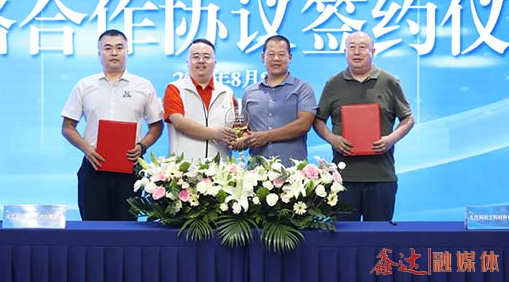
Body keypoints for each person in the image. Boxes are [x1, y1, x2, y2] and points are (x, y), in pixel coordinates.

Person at [61, 29, 164, 221]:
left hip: (130, 166)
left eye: (119, 47)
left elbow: (157, 126)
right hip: (94, 165)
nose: (114, 52)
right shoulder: (85, 85)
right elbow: (67, 127)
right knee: (93, 228)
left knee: (126, 229)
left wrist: (142, 146)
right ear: (99, 54)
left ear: (127, 51)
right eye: (107, 48)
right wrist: (86, 148)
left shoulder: (143, 86)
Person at [313, 31, 414, 222]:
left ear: (373, 51)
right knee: (343, 238)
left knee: (378, 237)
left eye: (362, 47)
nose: (357, 52)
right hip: (342, 179)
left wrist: (391, 139)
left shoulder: (389, 82)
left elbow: (408, 119)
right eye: (351, 47)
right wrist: (333, 139)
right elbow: (318, 120)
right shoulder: (333, 84)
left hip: (381, 177)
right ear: (345, 51)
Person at [240, 35, 317, 166]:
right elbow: (243, 129)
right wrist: (240, 140)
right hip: (257, 171)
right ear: (262, 57)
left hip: (293, 171)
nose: (276, 58)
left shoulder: (303, 88)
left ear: (290, 58)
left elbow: (304, 124)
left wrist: (267, 136)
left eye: (281, 54)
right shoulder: (250, 92)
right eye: (271, 54)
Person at [163, 38, 238, 162]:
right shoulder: (175, 88)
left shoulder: (227, 92)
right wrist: (214, 134)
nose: (201, 61)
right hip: (184, 168)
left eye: (207, 57)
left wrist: (238, 141)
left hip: (221, 170)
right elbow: (179, 123)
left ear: (215, 62)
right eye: (196, 57)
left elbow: (236, 129)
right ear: (187, 62)